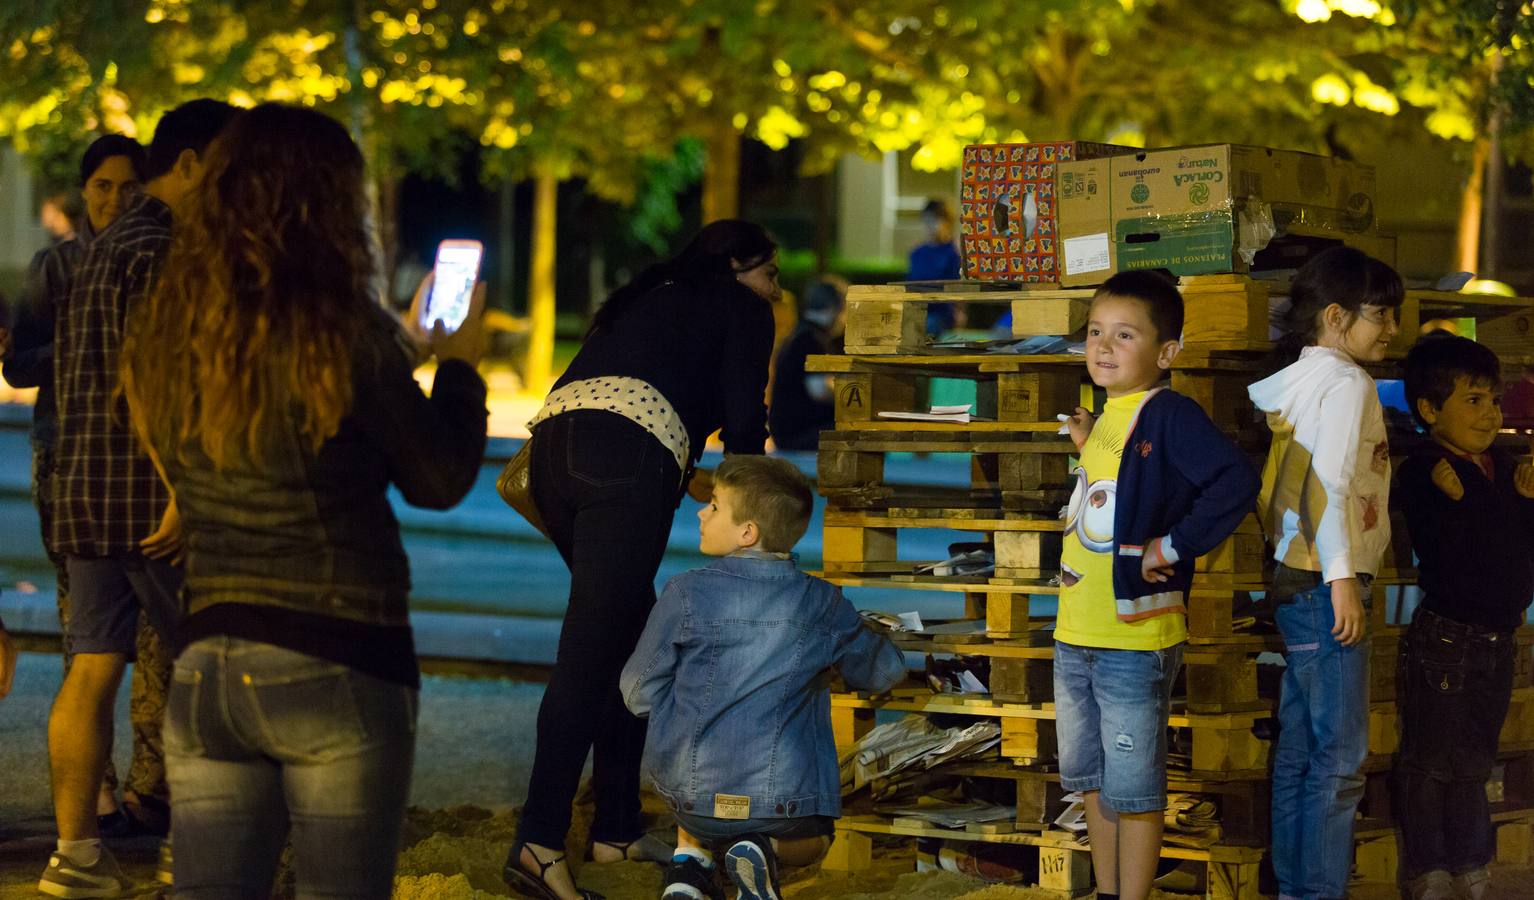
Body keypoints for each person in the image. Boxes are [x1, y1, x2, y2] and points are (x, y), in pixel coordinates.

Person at [119, 102, 488, 898]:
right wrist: (456, 366)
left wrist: (411, 345)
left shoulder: (172, 329)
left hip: (209, 658)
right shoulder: (340, 331)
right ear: (328, 206)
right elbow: (438, 478)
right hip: (339, 654)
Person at [506, 220, 780, 900]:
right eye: (772, 275)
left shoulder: (648, 294)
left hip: (554, 455)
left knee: (633, 638)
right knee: (593, 650)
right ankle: (538, 843)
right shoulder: (741, 306)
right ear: (740, 267)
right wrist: (757, 523)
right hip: (624, 464)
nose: (777, 292)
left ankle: (616, 829)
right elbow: (745, 427)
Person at [40, 99, 239, 898]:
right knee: (207, 672)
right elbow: (148, 377)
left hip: (81, 490)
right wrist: (183, 488)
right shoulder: (161, 248)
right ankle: (194, 855)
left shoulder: (100, 247)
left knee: (90, 669)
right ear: (190, 164)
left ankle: (75, 857)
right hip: (146, 497)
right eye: (225, 169)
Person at [1056, 271, 1258, 900]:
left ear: (1166, 353)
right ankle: (1109, 891)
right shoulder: (1111, 415)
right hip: (1074, 633)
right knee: (1091, 779)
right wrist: (1089, 444)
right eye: (1095, 332)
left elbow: (1233, 480)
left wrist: (1171, 546)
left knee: (1135, 789)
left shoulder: (1168, 413)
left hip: (1133, 636)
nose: (1104, 347)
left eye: (1125, 334)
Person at [620, 455, 905, 900]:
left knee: (696, 747)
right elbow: (884, 673)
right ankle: (763, 849)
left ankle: (689, 867)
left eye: (713, 505)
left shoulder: (684, 592)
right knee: (817, 839)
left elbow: (636, 692)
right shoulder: (822, 603)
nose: (700, 511)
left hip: (691, 799)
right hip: (782, 804)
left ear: (747, 532)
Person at [6, 134, 171, 840]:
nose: (113, 198)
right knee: (90, 636)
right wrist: (82, 344)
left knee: (157, 643)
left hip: (136, 464)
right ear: (83, 192)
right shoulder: (58, 266)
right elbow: (19, 366)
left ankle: (152, 789)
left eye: (127, 186)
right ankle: (95, 800)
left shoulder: (151, 254)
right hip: (70, 457)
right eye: (101, 186)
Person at [1246, 246, 1403, 900]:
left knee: (1301, 755)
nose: (1393, 328)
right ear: (1335, 316)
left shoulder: (1304, 380)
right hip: (1324, 583)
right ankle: (1316, 892)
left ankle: (1295, 888)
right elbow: (1332, 485)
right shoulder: (1346, 385)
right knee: (1338, 764)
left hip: (1291, 581)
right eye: (1382, 315)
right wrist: (1343, 579)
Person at [1393, 335, 1534, 900]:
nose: (1490, 413)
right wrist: (1472, 498)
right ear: (1429, 411)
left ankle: (1472, 865)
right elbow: (1457, 547)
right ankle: (1428, 868)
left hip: (1500, 639)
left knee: (1477, 759)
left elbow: (1518, 545)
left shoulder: (1506, 466)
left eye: (1494, 401)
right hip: (1446, 638)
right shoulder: (1425, 468)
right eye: (1472, 401)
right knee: (1430, 762)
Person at [768, 277, 846, 451]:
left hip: (787, 431)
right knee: (863, 431)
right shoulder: (812, 339)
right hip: (800, 433)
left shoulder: (798, 334)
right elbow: (819, 390)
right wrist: (853, 398)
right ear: (836, 307)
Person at [907, 199, 962, 335]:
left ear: (948, 223)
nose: (931, 226)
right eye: (927, 220)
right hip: (916, 310)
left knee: (925, 326)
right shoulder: (917, 253)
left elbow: (957, 288)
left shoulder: (954, 252)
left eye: (936, 220)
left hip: (942, 314)